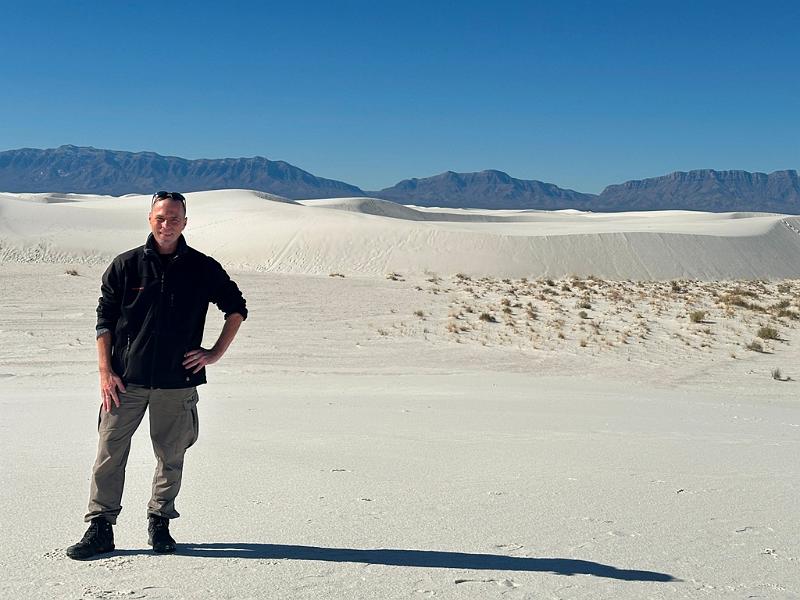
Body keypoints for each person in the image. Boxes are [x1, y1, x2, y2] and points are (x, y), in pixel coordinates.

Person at [67, 191, 248, 560]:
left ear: (185, 222)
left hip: (176, 383)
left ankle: (160, 521)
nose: (167, 225)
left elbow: (237, 308)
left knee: (171, 455)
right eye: (160, 218)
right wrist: (105, 372)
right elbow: (104, 321)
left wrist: (214, 353)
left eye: (175, 219)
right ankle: (100, 526)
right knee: (109, 452)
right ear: (150, 219)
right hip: (124, 382)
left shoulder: (202, 267)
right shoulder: (126, 265)